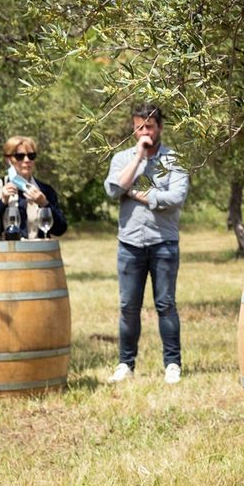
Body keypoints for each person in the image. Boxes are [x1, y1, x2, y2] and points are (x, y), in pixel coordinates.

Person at [103, 103, 190, 385]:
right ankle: (125, 364)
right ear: (133, 128)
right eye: (140, 126)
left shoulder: (175, 160)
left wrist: (140, 194)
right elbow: (114, 189)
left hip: (164, 242)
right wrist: (139, 157)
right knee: (129, 306)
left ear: (160, 128)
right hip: (130, 243)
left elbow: (175, 197)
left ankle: (172, 364)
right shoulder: (122, 158)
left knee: (165, 304)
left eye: (150, 127)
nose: (145, 132)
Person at [0, 136, 68, 238]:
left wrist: (44, 204)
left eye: (31, 156)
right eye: (19, 156)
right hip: (3, 252)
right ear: (8, 160)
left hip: (37, 252)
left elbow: (60, 229)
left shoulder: (45, 190)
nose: (27, 160)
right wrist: (2, 201)